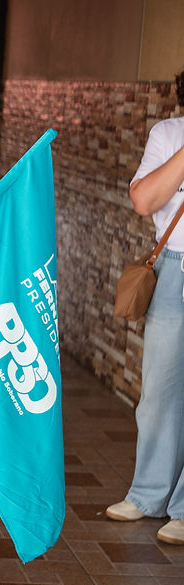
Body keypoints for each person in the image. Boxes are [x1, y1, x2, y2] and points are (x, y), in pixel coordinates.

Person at [106, 68, 184, 546]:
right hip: (173, 268)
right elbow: (143, 199)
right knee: (159, 391)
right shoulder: (168, 133)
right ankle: (149, 494)